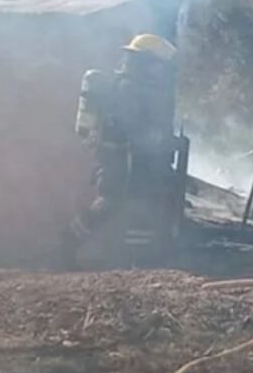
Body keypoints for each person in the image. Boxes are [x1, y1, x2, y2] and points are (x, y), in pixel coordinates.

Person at [62, 34, 178, 265]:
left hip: (126, 157)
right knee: (120, 203)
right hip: (123, 157)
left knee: (125, 203)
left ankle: (74, 242)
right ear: (146, 62)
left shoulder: (134, 86)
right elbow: (134, 127)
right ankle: (136, 259)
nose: (160, 71)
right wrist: (158, 141)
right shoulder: (130, 88)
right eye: (157, 64)